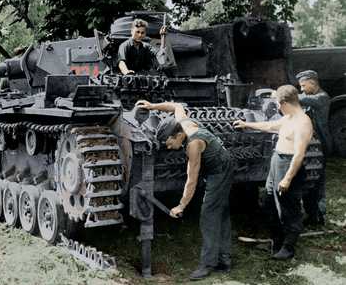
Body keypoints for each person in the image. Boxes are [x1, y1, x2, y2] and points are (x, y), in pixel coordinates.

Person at [136, 100, 234, 281]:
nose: (167, 146)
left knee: (209, 214)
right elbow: (176, 106)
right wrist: (152, 106)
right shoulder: (183, 122)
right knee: (220, 211)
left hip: (219, 170)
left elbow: (192, 180)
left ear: (179, 135)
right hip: (219, 163)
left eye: (168, 142)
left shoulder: (193, 145)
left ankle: (208, 264)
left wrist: (181, 205)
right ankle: (225, 259)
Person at [234, 85, 313, 260]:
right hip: (277, 161)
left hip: (289, 165)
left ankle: (288, 248)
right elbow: (270, 125)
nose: (277, 106)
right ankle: (276, 241)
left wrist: (287, 178)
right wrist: (247, 124)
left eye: (277, 102)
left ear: (285, 102)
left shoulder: (303, 122)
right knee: (270, 201)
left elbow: (299, 155)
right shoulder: (289, 117)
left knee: (288, 208)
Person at [296, 70, 331, 226]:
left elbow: (303, 100)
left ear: (312, 82)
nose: (302, 89)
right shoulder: (310, 97)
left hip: (321, 145)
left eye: (303, 86)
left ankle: (318, 216)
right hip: (312, 146)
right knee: (311, 179)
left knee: (318, 182)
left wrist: (282, 94)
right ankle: (312, 214)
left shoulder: (322, 98)